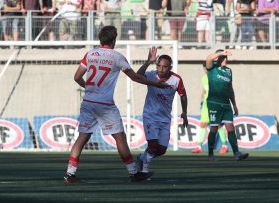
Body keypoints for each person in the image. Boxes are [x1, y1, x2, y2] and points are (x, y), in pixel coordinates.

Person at [63, 25, 169, 184]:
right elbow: (135, 77)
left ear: (100, 39)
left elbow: (77, 76)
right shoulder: (117, 57)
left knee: (83, 137)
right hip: (105, 104)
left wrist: (90, 88)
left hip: (89, 102)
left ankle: (70, 174)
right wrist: (156, 84)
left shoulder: (90, 54)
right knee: (120, 137)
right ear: (114, 40)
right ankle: (134, 173)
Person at [136, 47, 188, 175]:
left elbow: (183, 95)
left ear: (170, 68)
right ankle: (144, 172)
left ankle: (142, 158)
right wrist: (148, 61)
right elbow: (137, 76)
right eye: (159, 65)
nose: (161, 69)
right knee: (153, 145)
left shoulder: (176, 79)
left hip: (165, 119)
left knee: (162, 150)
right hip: (150, 116)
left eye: (164, 67)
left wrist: (184, 112)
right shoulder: (151, 75)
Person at [205, 49, 249, 161]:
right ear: (218, 58)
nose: (225, 59)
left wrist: (234, 104)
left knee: (231, 128)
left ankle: (236, 153)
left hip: (226, 103)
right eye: (222, 57)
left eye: (226, 57)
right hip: (214, 103)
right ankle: (210, 154)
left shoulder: (229, 71)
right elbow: (209, 58)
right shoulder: (212, 68)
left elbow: (230, 89)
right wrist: (221, 53)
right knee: (214, 128)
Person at [191, 62, 228, 154]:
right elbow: (204, 91)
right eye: (205, 69)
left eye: (207, 68)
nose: (206, 70)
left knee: (218, 125)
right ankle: (199, 146)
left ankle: (224, 145)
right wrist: (202, 102)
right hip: (206, 104)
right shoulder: (204, 78)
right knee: (203, 124)